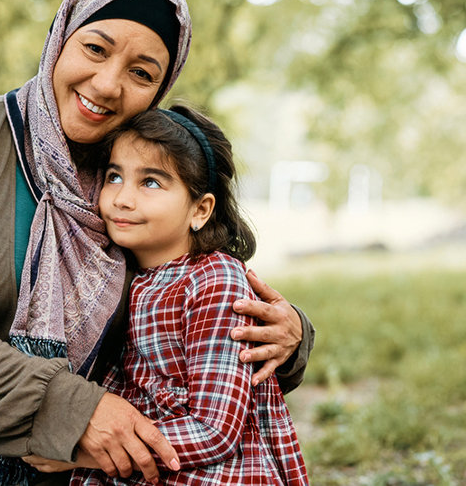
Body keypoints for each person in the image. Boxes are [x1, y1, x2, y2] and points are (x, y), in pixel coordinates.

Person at [0, 0, 315, 486]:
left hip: (93, 457)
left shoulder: (135, 180)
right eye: (95, 49)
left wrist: (292, 337)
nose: (107, 85)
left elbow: (207, 301)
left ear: (159, 88)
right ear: (61, 37)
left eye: (141, 72)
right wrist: (75, 410)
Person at [58, 105, 309, 484]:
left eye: (151, 182)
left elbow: (216, 430)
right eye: (114, 176)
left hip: (211, 473)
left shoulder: (214, 281)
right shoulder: (121, 275)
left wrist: (81, 451)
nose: (122, 198)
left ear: (200, 209)